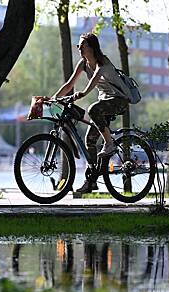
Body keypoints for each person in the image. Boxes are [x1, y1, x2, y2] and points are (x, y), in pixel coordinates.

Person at [52, 32, 130, 193]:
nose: (79, 48)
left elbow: (92, 83)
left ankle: (109, 144)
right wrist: (54, 98)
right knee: (90, 140)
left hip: (119, 100)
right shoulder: (83, 63)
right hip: (105, 102)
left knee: (93, 109)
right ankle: (92, 181)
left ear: (92, 47)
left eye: (82, 45)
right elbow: (69, 84)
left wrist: (80, 94)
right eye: (78, 45)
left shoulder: (103, 62)